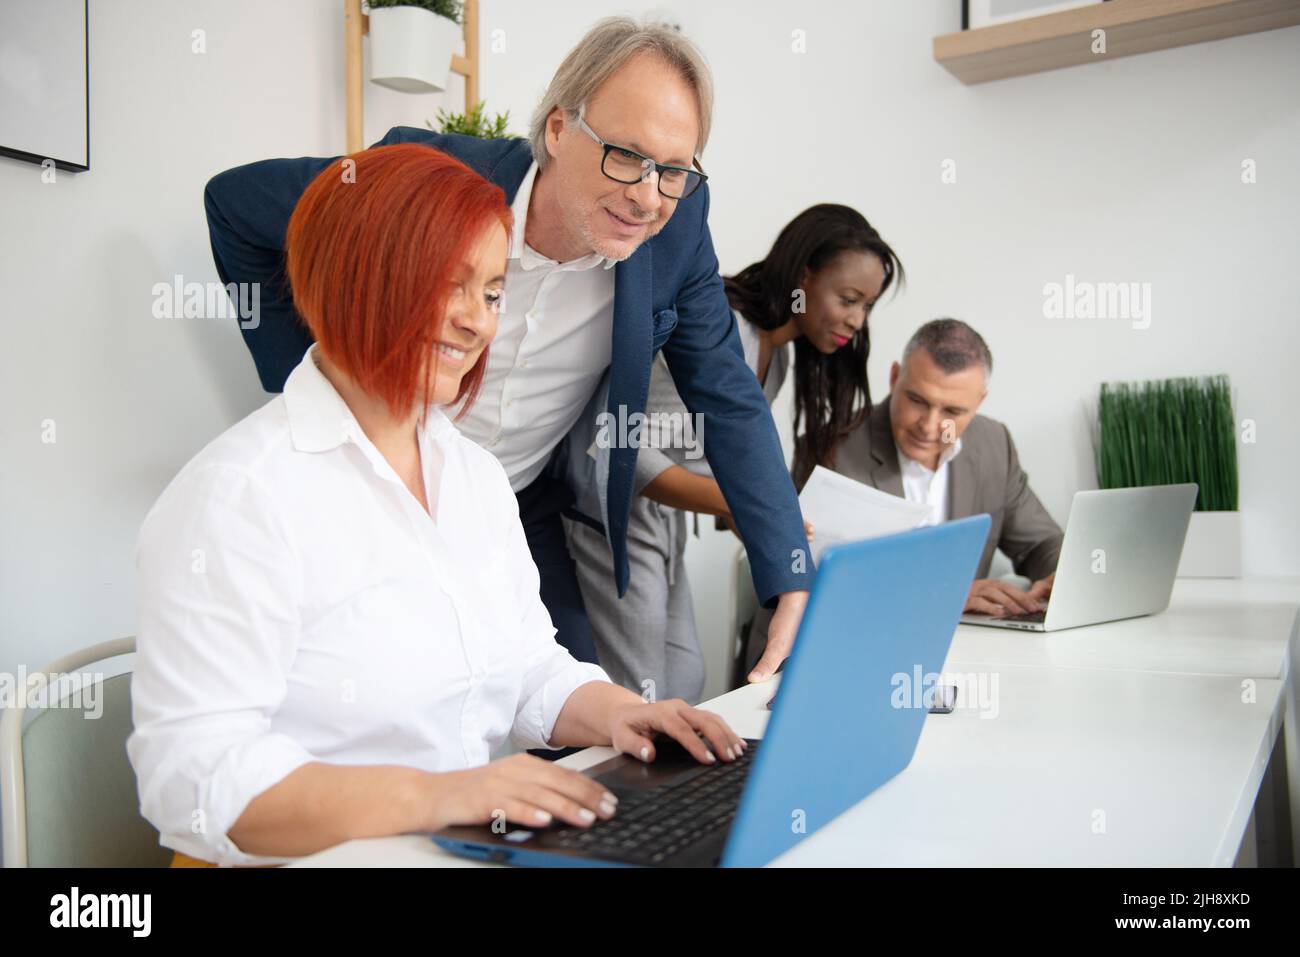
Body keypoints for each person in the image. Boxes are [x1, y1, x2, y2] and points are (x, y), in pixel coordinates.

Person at [129, 144, 746, 867]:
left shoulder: (476, 476)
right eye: (445, 285)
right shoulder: (237, 497)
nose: (474, 321)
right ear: (353, 277)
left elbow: (526, 665)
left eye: (489, 292)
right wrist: (442, 795)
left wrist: (621, 712)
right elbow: (194, 782)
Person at [202, 17, 811, 684]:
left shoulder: (679, 227)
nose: (647, 195)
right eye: (626, 155)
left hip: (514, 508)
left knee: (585, 719)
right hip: (370, 500)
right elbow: (235, 207)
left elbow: (727, 395)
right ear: (557, 129)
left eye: (672, 169)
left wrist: (785, 572)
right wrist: (318, 377)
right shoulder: (428, 179)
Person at [565, 205, 904, 698]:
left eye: (867, 306)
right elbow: (618, 446)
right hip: (615, 514)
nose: (856, 319)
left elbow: (721, 465)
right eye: (849, 298)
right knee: (641, 689)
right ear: (804, 274)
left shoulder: (780, 359)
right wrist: (740, 503)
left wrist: (764, 520)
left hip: (665, 519)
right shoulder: (722, 333)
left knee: (684, 679)